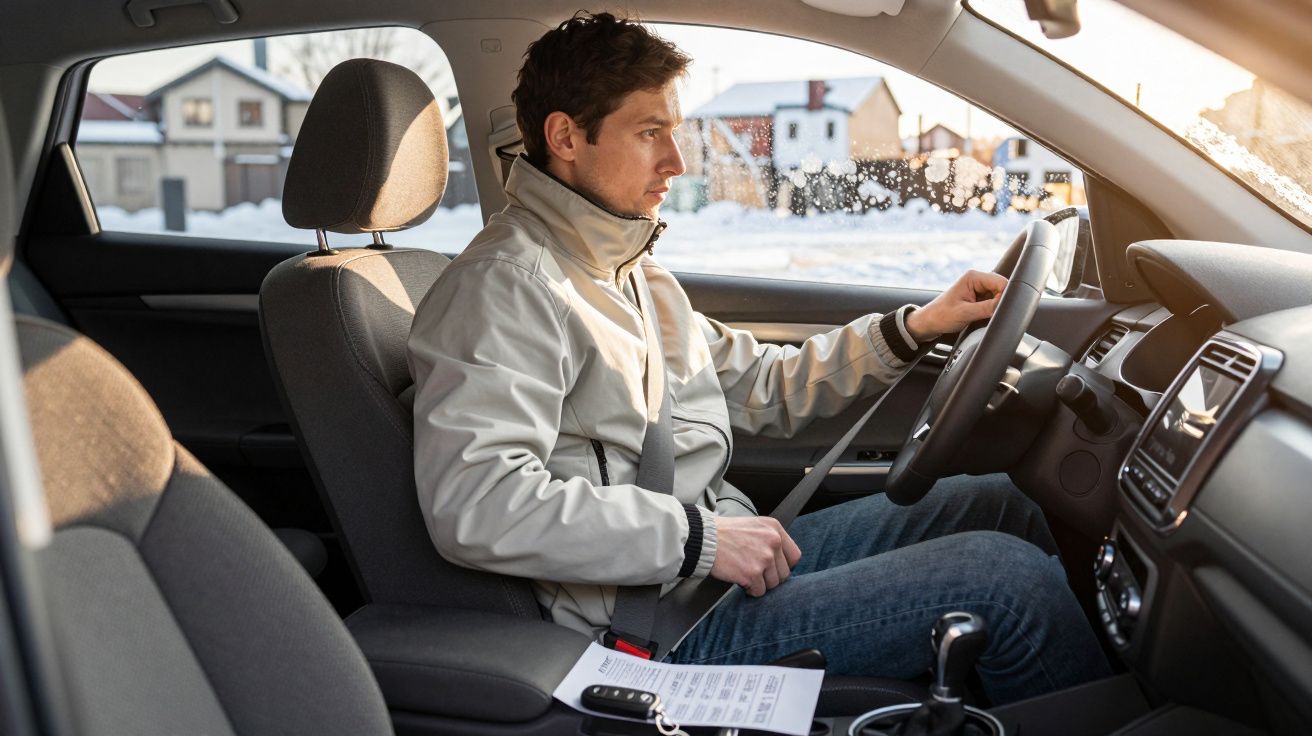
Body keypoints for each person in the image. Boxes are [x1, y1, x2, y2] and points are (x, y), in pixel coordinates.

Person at [407, 11, 1109, 705]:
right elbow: (478, 500)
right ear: (565, 136)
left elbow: (760, 389)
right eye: (649, 133)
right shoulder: (507, 288)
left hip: (699, 570)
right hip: (650, 625)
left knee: (995, 503)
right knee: (1005, 582)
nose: (676, 163)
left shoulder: (626, 270)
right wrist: (699, 540)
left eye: (674, 133)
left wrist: (916, 327)